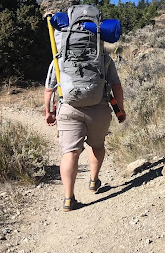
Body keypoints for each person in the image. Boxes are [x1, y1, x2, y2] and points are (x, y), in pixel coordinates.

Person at [44, 53, 126, 212]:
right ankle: (94, 181)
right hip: (99, 108)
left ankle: (69, 199)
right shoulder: (104, 58)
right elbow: (116, 86)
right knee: (97, 145)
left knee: (70, 152)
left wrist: (48, 112)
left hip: (68, 109)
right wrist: (120, 110)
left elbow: (49, 89)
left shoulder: (59, 58)